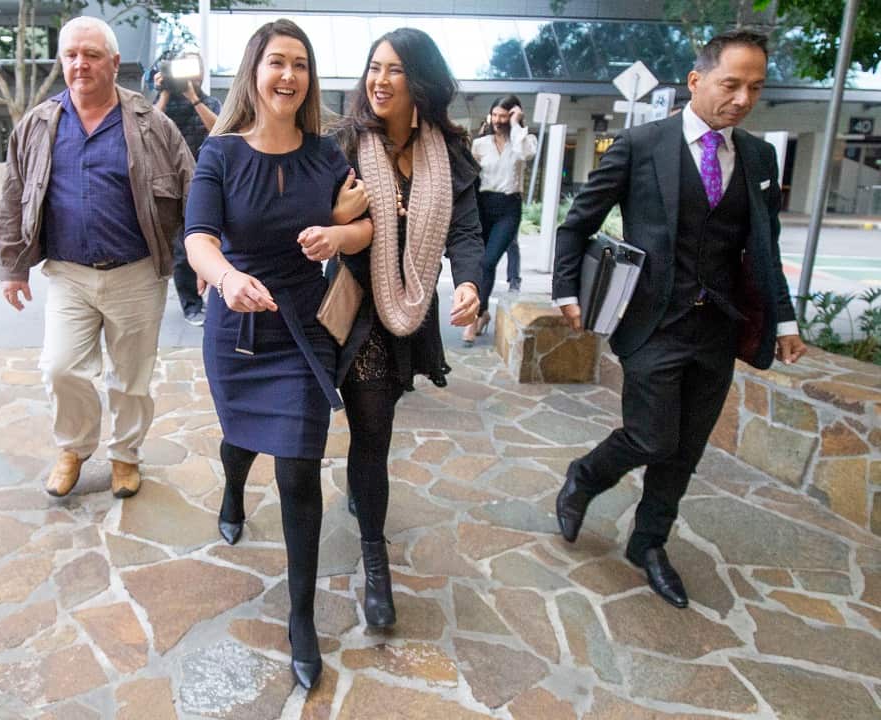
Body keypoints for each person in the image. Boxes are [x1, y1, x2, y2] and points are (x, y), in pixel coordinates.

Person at [551, 30, 807, 608]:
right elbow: (578, 222)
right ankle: (586, 476)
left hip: (718, 328)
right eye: (731, 84)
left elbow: (765, 248)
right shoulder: (642, 145)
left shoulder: (759, 158)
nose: (742, 98)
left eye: (755, 88)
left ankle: (648, 543)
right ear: (697, 81)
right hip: (652, 322)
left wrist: (785, 322)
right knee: (652, 434)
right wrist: (567, 287)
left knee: (686, 447)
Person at [183, 19, 372, 690]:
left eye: (300, 64)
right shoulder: (222, 154)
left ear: (309, 79)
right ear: (254, 73)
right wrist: (227, 277)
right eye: (276, 63)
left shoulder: (327, 154)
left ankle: (300, 616)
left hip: (302, 328)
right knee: (242, 442)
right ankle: (233, 487)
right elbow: (198, 237)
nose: (288, 75)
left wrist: (340, 234)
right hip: (236, 332)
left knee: (297, 468)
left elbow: (366, 222)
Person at [0, 16, 194, 499]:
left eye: (92, 54)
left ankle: (125, 456)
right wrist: (12, 265)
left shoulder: (153, 124)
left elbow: (193, 191)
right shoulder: (37, 126)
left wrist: (202, 260)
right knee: (60, 367)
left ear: (115, 62)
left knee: (132, 378)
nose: (80, 64)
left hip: (137, 274)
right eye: (71, 55)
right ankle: (74, 448)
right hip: (68, 274)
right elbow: (13, 195)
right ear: (62, 61)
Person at [330, 28, 483, 628]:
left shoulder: (450, 153)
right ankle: (375, 562)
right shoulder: (344, 144)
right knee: (373, 434)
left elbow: (465, 232)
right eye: (374, 67)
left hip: (411, 311)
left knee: (378, 419)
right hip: (356, 310)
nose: (380, 80)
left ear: (419, 81)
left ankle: (361, 494)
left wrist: (470, 283)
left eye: (394, 69)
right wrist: (340, 217)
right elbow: (311, 219)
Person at [153, 53, 223, 327]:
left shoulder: (209, 102)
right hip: (172, 185)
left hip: (208, 184)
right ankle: (192, 305)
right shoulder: (164, 102)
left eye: (195, 69)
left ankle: (219, 294)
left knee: (215, 242)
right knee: (183, 249)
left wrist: (193, 98)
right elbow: (146, 127)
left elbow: (220, 130)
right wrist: (164, 93)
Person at [463, 95, 536, 345]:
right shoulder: (480, 145)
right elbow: (470, 177)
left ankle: (474, 318)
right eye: (495, 115)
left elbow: (525, 154)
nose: (498, 120)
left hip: (508, 208)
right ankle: (482, 312)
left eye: (503, 116)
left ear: (513, 115)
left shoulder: (524, 140)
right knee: (483, 263)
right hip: (483, 205)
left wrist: (516, 124)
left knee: (489, 259)